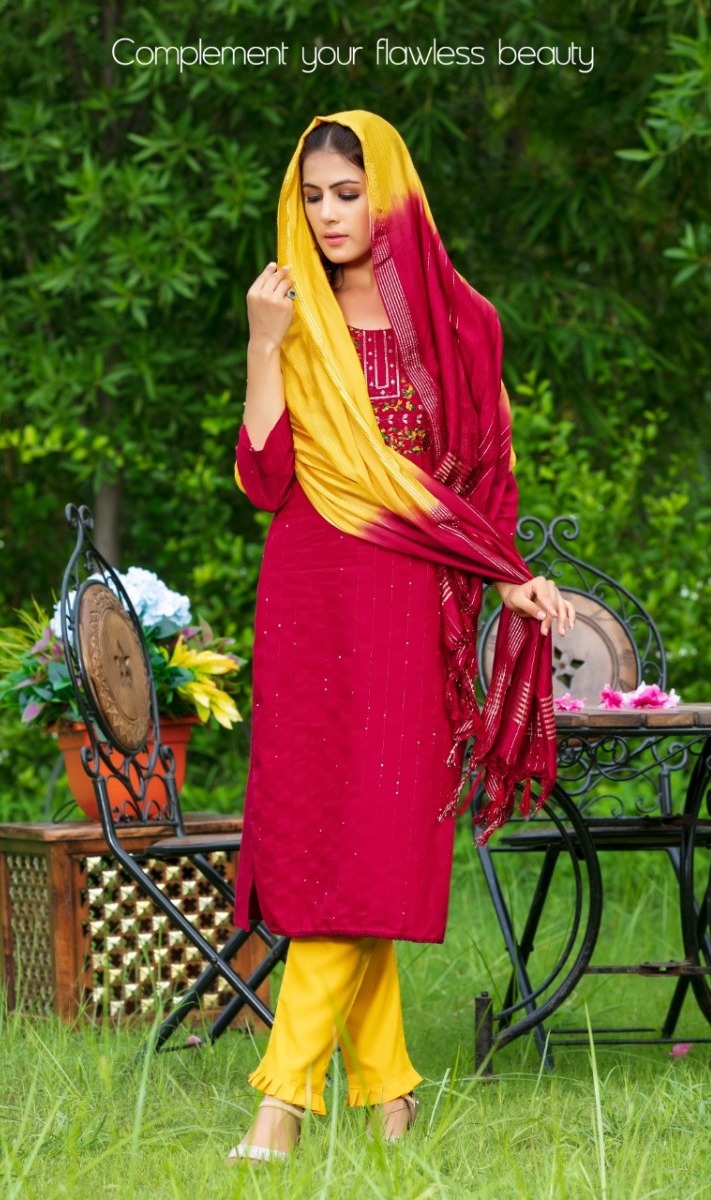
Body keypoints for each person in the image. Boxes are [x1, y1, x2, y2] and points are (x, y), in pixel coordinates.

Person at [229, 110, 575, 1162]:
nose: (330, 215)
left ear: (392, 193)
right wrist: (263, 344)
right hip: (309, 591)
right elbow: (264, 478)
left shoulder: (462, 322)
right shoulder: (294, 307)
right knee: (331, 835)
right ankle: (386, 1097)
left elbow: (484, 472)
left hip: (408, 601)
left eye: (349, 193)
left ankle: (282, 1104)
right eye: (314, 197)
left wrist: (505, 574)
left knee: (371, 834)